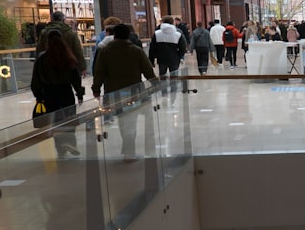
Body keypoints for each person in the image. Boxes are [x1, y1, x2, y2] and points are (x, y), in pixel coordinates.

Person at [91, 23, 156, 160]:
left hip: (114, 92)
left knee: (123, 121)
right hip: (134, 91)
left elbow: (99, 72)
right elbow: (148, 71)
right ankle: (129, 151)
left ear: (114, 35)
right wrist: (156, 84)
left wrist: (96, 89)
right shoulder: (136, 51)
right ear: (128, 35)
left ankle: (128, 149)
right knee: (131, 121)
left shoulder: (105, 51)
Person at [30, 28, 85, 159]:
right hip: (66, 91)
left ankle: (60, 149)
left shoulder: (42, 59)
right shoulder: (68, 57)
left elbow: (36, 80)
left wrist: (38, 95)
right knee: (70, 118)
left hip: (48, 93)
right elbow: (75, 78)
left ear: (47, 41)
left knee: (55, 121)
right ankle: (71, 143)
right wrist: (79, 93)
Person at [36, 10, 87, 76]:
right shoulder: (71, 33)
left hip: (49, 67)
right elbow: (78, 51)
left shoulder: (44, 33)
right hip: (67, 66)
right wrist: (82, 67)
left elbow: (39, 49)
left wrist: (37, 68)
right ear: (63, 20)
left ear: (52, 20)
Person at [149, 15, 187, 96]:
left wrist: (151, 60)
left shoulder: (157, 34)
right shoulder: (178, 34)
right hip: (174, 59)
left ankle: (164, 92)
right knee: (174, 76)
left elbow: (152, 48)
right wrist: (180, 56)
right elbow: (183, 47)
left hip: (161, 59)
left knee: (162, 76)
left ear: (162, 22)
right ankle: (173, 91)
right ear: (172, 22)